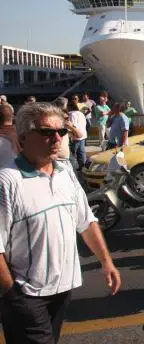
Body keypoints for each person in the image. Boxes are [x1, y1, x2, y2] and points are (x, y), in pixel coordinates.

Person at [0, 102, 121, 344]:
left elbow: (86, 222)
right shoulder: (7, 181)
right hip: (27, 295)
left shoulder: (65, 172)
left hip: (63, 289)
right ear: (23, 137)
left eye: (61, 131)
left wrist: (106, 262)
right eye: (46, 132)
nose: (56, 138)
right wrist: (12, 295)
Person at [68, 98, 88, 170]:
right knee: (81, 152)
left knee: (73, 154)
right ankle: (82, 167)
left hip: (75, 136)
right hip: (83, 135)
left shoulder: (71, 114)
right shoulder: (81, 114)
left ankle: (72, 169)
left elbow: (73, 126)